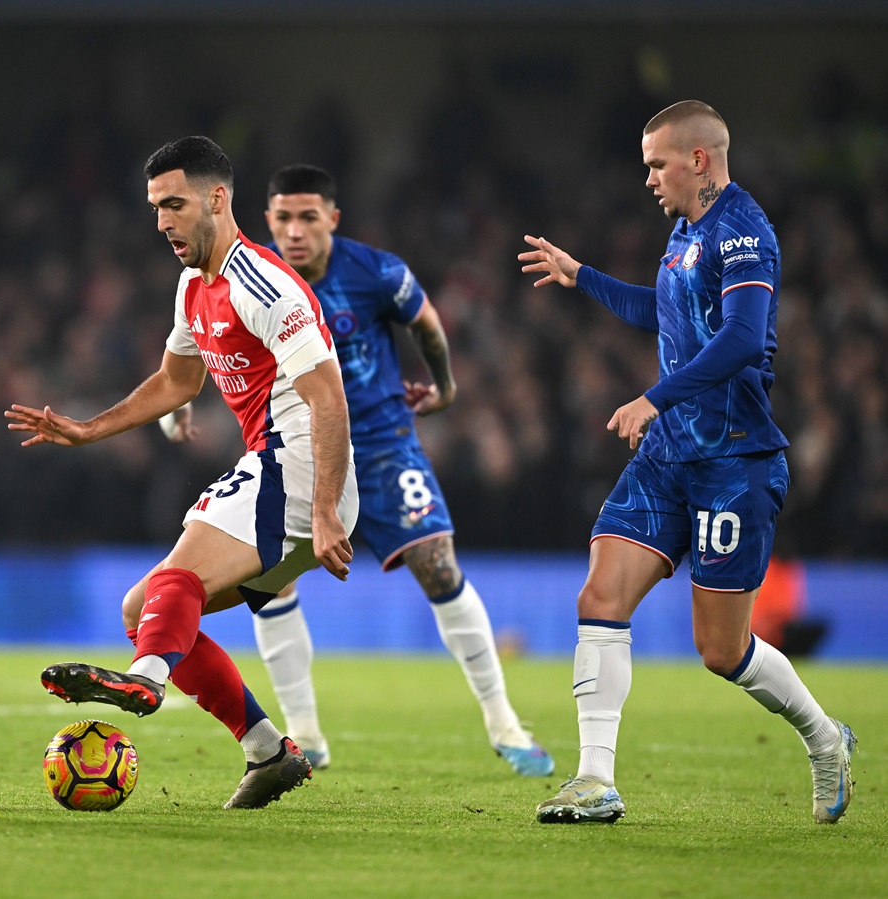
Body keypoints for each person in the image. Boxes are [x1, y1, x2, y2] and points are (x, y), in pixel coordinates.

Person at [518, 100, 855, 824]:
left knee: (719, 648)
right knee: (599, 597)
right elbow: (660, 312)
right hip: (669, 456)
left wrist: (651, 396)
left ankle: (825, 735)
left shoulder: (743, 234)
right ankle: (594, 779)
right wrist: (585, 277)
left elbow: (739, 339)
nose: (648, 179)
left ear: (698, 160)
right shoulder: (684, 233)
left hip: (733, 462)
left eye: (656, 164)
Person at [160, 164, 553, 776]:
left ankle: (506, 724)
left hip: (381, 445)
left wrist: (443, 388)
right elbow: (213, 349)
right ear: (266, 219)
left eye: (308, 217)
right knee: (270, 586)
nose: (294, 230)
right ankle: (307, 736)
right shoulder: (245, 277)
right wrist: (181, 405)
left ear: (332, 220)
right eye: (284, 217)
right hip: (295, 453)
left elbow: (426, 324)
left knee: (436, 563)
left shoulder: (376, 272)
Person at [5, 136, 358, 809]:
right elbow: (176, 379)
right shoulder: (195, 285)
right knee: (147, 611)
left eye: (174, 204)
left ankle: (144, 682)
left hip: (300, 465)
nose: (162, 221)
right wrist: (87, 429)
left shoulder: (263, 282)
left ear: (217, 199)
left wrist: (322, 509)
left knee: (175, 582)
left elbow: (327, 396)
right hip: (277, 467)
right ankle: (267, 751)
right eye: (154, 208)